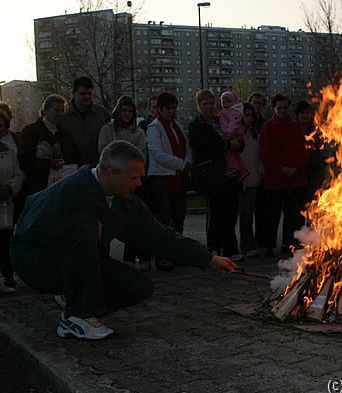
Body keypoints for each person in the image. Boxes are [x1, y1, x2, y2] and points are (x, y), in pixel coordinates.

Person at [10, 140, 237, 340]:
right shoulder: (70, 189)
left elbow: (159, 236)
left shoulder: (125, 202)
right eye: (133, 177)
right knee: (84, 225)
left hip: (78, 262)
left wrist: (207, 259)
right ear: (111, 173)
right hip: (36, 262)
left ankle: (73, 297)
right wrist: (80, 225)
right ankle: (76, 316)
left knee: (138, 287)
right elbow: (28, 230)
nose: (139, 184)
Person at [188, 89, 244, 261]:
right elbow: (204, 147)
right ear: (198, 105)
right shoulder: (196, 125)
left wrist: (238, 144)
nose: (208, 107)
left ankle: (230, 248)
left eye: (211, 103)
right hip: (212, 175)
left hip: (230, 174)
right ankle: (213, 248)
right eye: (204, 104)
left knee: (231, 213)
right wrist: (227, 144)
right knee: (216, 213)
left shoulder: (222, 119)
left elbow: (238, 137)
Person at [98, 95, 150, 271]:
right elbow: (103, 152)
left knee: (133, 219)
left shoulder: (139, 132)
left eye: (130, 111)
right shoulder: (107, 129)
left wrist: (121, 155)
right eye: (124, 111)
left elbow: (140, 155)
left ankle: (131, 256)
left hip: (131, 180)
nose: (127, 114)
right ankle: (103, 258)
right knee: (106, 220)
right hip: (111, 181)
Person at [146, 92, 192, 270]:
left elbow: (187, 147)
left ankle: (176, 252)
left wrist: (187, 162)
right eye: (167, 108)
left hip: (178, 176)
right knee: (163, 219)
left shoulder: (177, 126)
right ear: (160, 109)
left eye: (173, 108)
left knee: (178, 217)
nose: (171, 111)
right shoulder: (154, 128)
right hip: (162, 177)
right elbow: (158, 154)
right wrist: (182, 164)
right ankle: (162, 255)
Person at [259, 93, 308, 255]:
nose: (282, 111)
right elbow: (266, 153)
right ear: (274, 108)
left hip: (295, 179)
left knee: (292, 214)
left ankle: (289, 243)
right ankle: (269, 245)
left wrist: (296, 168)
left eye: (285, 108)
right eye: (279, 108)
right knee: (272, 215)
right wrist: (282, 168)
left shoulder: (296, 127)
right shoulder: (267, 127)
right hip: (275, 180)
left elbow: (303, 151)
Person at [19, 94, 80, 195]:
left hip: (63, 186)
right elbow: (24, 161)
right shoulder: (31, 132)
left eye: (62, 111)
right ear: (46, 110)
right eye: (56, 110)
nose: (60, 114)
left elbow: (75, 156)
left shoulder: (65, 133)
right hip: (40, 188)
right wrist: (48, 165)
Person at [59, 76, 110, 166]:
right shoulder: (63, 116)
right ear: (73, 93)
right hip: (72, 168)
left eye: (89, 93)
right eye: (82, 94)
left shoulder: (102, 114)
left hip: (98, 167)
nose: (87, 97)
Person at [0, 110, 23, 294]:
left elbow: (18, 174)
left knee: (5, 240)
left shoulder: (9, 151)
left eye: (0, 125)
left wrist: (9, 188)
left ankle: (7, 275)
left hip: (5, 202)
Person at [238, 102, 262, 258]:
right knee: (241, 214)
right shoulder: (236, 135)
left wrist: (259, 173)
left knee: (248, 213)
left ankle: (248, 244)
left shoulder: (256, 136)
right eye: (246, 115)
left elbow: (260, 156)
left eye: (252, 115)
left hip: (252, 179)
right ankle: (242, 245)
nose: (250, 118)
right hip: (238, 180)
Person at [247, 92, 269, 255]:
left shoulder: (264, 124)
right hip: (246, 173)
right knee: (246, 211)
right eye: (254, 103)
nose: (257, 106)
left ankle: (262, 239)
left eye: (260, 103)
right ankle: (248, 243)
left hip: (261, 172)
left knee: (262, 209)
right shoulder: (243, 124)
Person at [219, 91, 248, 180]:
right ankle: (242, 170)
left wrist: (229, 133)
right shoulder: (225, 112)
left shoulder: (234, 112)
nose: (225, 104)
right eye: (223, 102)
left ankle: (232, 168)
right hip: (230, 135)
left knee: (229, 154)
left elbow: (234, 123)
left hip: (233, 135)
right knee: (235, 155)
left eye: (228, 102)